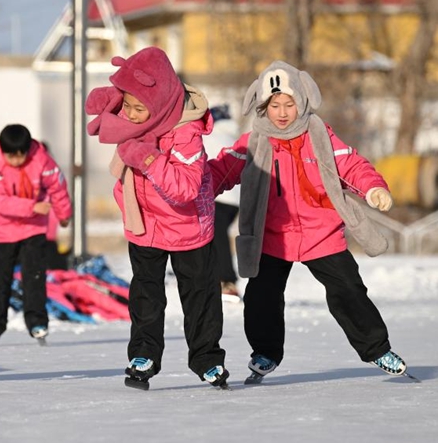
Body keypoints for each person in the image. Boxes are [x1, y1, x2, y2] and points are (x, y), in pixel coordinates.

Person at [209, 60, 406, 383]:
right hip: (272, 236)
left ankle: (376, 347)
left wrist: (373, 187)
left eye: (289, 104)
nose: (283, 112)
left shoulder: (320, 136)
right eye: (275, 105)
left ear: (302, 102)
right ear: (263, 105)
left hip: (322, 233)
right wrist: (197, 188)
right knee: (262, 296)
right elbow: (222, 170)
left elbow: (351, 165)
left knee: (348, 289)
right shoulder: (253, 141)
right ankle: (265, 352)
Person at [85, 46, 229, 389]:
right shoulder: (141, 118)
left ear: (162, 102)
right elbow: (120, 106)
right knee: (146, 294)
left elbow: (184, 188)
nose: (132, 116)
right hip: (146, 225)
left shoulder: (186, 135)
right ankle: (145, 354)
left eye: (139, 108)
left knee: (199, 296)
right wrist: (111, 100)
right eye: (128, 107)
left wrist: (148, 159)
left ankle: (207, 358)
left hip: (187, 228)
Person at [0, 124, 72, 346]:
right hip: (2, 229)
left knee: (34, 276)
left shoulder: (42, 160)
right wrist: (32, 207)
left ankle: (37, 322)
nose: (16, 161)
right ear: (3, 151)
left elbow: (58, 186)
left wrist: (64, 213)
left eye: (20, 155)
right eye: (11, 156)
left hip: (33, 228)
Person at [202, 104, 242, 302]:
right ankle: (220, 278)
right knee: (216, 235)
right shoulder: (232, 137)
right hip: (235, 199)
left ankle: (226, 280)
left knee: (216, 236)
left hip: (218, 195)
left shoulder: (209, 136)